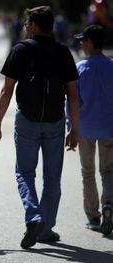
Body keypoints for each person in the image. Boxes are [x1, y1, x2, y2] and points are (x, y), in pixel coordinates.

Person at [0, 6, 80, 249]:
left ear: (36, 26)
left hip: (27, 120)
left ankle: (33, 216)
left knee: (24, 173)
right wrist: (75, 129)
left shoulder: (21, 50)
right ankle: (45, 229)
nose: (25, 27)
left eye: (28, 23)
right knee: (52, 178)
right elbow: (73, 95)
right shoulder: (63, 52)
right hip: (55, 122)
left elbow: (6, 91)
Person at [73, 25, 113, 236]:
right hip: (109, 128)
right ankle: (109, 204)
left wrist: (71, 127)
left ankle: (93, 217)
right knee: (108, 170)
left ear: (90, 43)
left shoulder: (80, 69)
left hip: (85, 128)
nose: (80, 43)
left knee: (87, 171)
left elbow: (72, 101)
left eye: (83, 40)